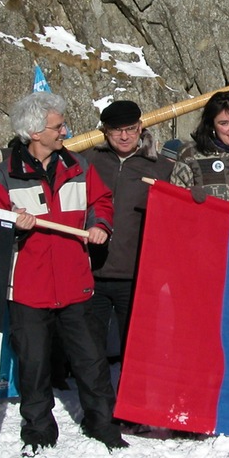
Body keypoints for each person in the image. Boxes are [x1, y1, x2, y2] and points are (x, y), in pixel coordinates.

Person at [0, 91, 127, 454]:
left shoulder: (77, 165)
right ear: (34, 133)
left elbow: (100, 201)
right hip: (29, 288)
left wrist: (101, 226)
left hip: (75, 282)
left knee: (91, 361)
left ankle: (102, 423)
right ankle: (39, 429)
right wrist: (13, 225)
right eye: (57, 126)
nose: (65, 131)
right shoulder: (3, 176)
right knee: (34, 363)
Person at [83, 100, 174, 368]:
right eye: (116, 130)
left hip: (136, 275)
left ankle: (130, 408)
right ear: (105, 132)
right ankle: (97, 409)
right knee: (90, 352)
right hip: (91, 271)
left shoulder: (161, 167)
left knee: (136, 351)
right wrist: (1, 155)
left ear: (141, 128)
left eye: (131, 129)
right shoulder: (88, 160)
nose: (124, 136)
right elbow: (44, 153)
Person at [170, 91, 229, 205]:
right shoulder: (190, 156)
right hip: (208, 221)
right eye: (224, 123)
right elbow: (174, 200)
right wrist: (188, 196)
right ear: (211, 125)